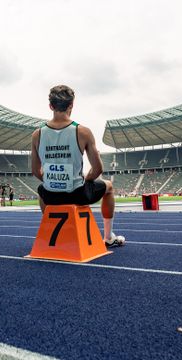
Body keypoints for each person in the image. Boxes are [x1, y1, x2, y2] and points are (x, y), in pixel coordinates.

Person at [31, 84, 125, 247]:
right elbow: (98, 170)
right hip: (77, 193)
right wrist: (86, 179)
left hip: (51, 195)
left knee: (42, 190)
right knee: (108, 187)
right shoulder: (83, 132)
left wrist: (52, 181)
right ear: (71, 105)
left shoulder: (37, 134)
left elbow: (35, 171)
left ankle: (52, 231)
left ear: (50, 106)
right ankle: (108, 237)